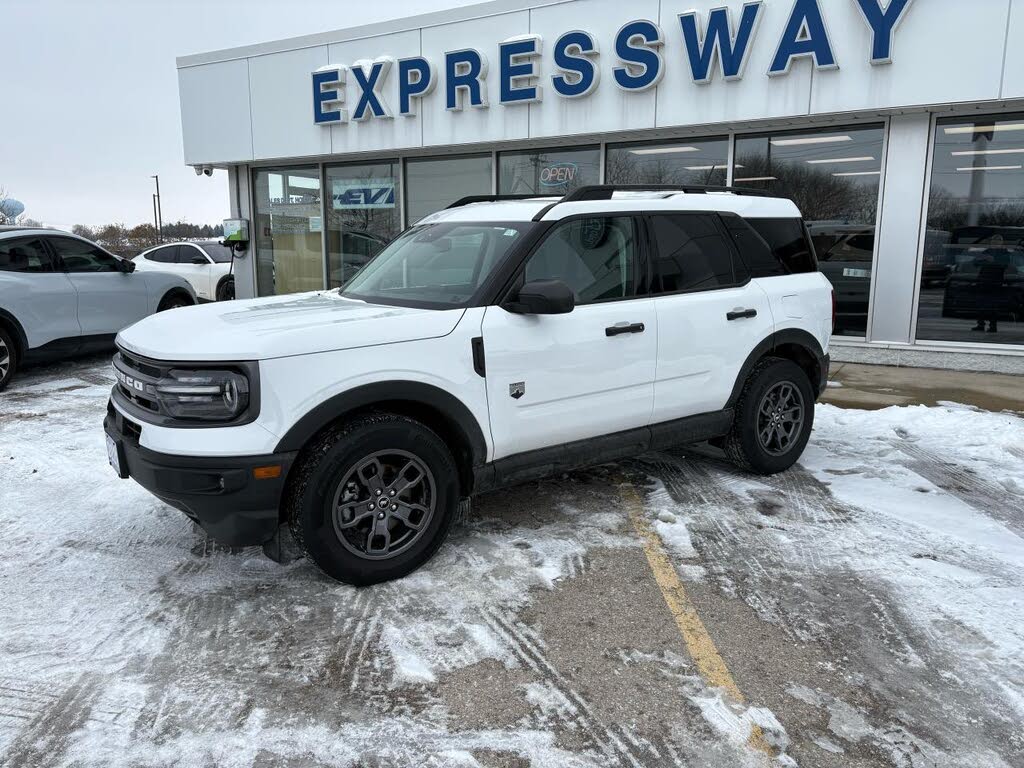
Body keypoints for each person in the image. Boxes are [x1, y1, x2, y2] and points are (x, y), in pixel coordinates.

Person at [971, 234, 1007, 333]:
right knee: (981, 303)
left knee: (993, 305)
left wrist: (992, 260)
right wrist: (983, 259)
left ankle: (993, 326)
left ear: (1001, 243)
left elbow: (1004, 264)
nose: (995, 243)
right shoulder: (987, 251)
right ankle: (980, 324)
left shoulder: (1004, 252)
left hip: (995, 282)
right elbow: (975, 262)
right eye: (994, 241)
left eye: (998, 241)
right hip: (983, 280)